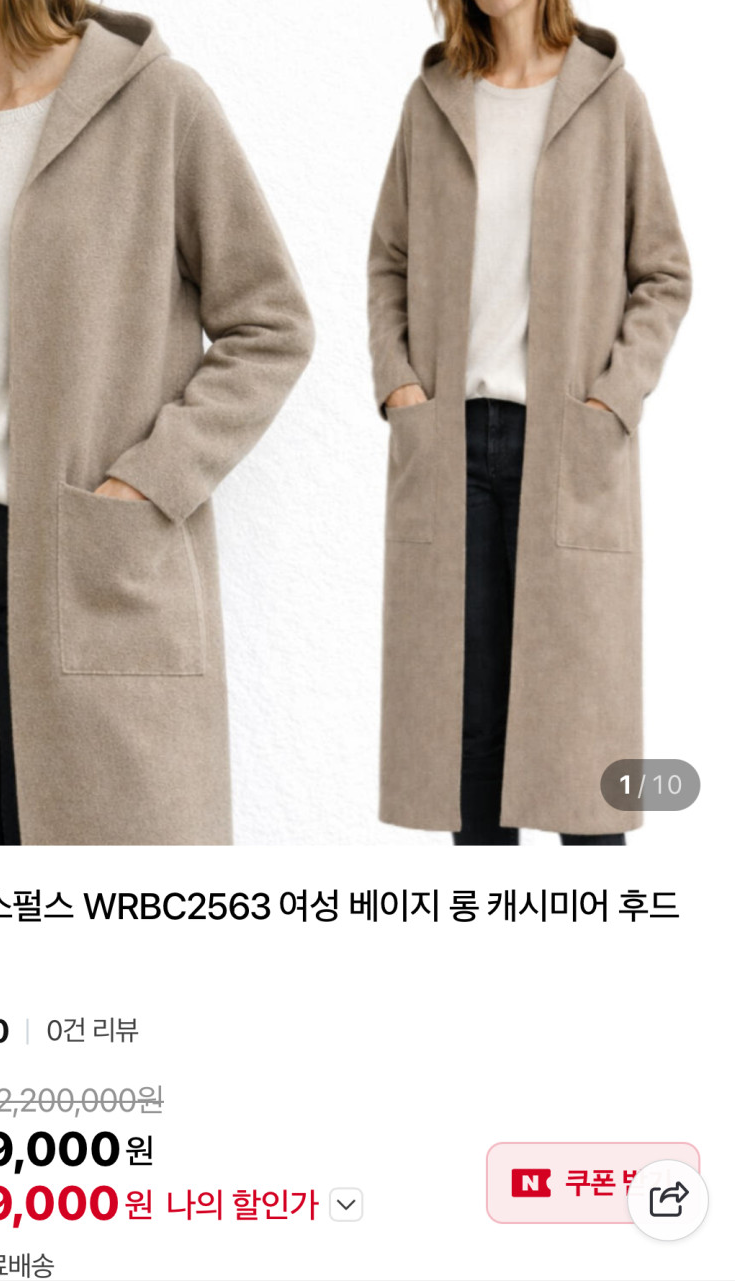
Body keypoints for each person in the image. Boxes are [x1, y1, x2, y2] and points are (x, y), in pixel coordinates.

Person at [0, 0, 314, 845]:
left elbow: (270, 326)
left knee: (104, 883)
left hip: (82, 559)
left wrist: (146, 484)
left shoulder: (158, 104)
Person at [368, 0, 691, 844]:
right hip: (449, 444)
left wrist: (613, 399)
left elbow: (663, 272)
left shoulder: (609, 99)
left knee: (581, 736)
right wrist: (399, 385)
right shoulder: (434, 99)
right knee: (468, 730)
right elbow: (388, 263)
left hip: (566, 446)